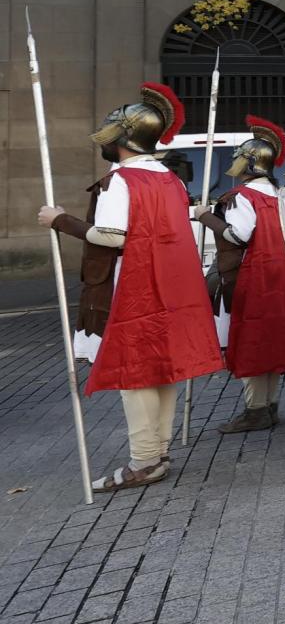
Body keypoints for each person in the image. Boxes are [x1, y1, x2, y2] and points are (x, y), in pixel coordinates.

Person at [38, 83, 223, 491]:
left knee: (135, 373)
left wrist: (60, 220)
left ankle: (144, 460)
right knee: (162, 368)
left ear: (122, 138)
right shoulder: (170, 179)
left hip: (133, 285)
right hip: (172, 285)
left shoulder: (119, 181)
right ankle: (158, 451)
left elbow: (112, 235)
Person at [194, 116, 285, 433]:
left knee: (255, 341)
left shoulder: (243, 197)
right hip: (284, 277)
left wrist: (207, 218)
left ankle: (257, 409)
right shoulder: (281, 193)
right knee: (271, 340)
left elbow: (238, 236)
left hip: (257, 277)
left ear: (249, 163)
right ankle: (268, 405)